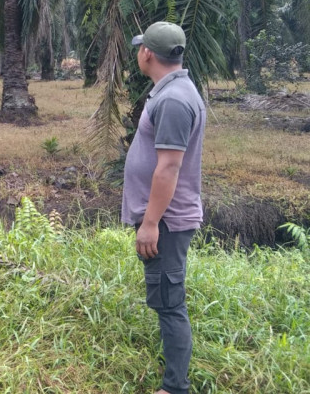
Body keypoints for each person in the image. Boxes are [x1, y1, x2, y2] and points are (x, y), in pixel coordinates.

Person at [123, 21, 206, 394]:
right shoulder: (171, 91)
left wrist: (151, 223)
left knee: (171, 303)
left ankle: (175, 388)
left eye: (141, 48)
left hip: (167, 222)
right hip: (165, 218)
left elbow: (169, 166)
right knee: (166, 299)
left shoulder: (173, 100)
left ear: (147, 54)